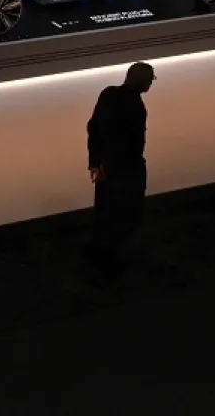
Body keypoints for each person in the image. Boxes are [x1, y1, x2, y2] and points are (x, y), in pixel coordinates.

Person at [86, 62, 155, 276]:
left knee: (105, 213)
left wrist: (96, 163)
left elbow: (94, 128)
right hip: (125, 169)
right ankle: (109, 263)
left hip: (106, 167)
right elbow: (128, 143)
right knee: (125, 215)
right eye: (150, 80)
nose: (151, 84)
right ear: (142, 82)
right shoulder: (135, 107)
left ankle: (100, 256)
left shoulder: (108, 94)